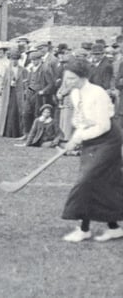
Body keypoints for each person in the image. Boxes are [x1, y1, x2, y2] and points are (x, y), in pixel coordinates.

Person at [59, 58, 123, 242]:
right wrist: (73, 139)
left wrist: (79, 138)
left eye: (71, 78)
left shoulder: (98, 94)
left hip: (108, 140)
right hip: (90, 139)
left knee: (86, 181)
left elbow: (102, 126)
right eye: (66, 78)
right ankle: (114, 227)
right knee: (104, 183)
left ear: (82, 77)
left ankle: (83, 229)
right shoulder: (75, 94)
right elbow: (82, 122)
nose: (67, 82)